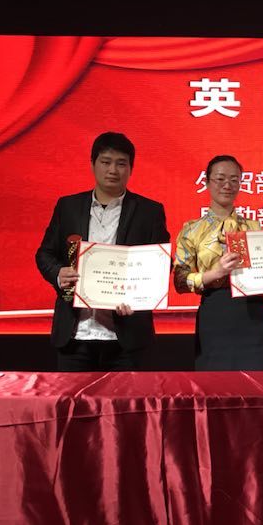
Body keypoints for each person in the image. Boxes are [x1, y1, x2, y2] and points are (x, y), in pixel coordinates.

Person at [35, 132, 169, 371]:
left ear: (131, 168)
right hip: (74, 336)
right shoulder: (68, 206)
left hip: (126, 339)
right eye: (106, 162)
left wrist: (139, 297)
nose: (113, 170)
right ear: (92, 164)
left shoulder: (150, 211)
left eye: (121, 163)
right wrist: (58, 273)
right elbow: (45, 254)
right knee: (75, 398)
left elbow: (160, 265)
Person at [173, 155, 263, 370]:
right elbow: (180, 282)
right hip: (215, 312)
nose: (227, 185)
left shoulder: (254, 227)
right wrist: (214, 273)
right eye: (220, 179)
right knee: (215, 382)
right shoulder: (191, 230)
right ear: (207, 182)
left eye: (234, 180)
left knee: (257, 380)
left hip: (253, 312)